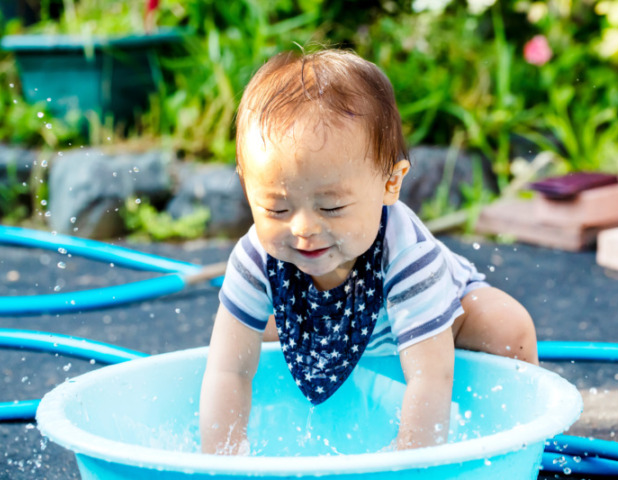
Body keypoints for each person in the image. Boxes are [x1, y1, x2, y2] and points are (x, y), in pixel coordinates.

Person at [199, 48, 538, 455]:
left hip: (437, 320)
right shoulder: (255, 257)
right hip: (324, 325)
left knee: (506, 325)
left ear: (390, 184)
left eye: (332, 207)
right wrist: (222, 456)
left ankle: (520, 438)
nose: (304, 227)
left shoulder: (407, 256)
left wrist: (407, 459)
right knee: (246, 338)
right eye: (277, 208)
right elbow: (227, 370)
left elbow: (431, 377)